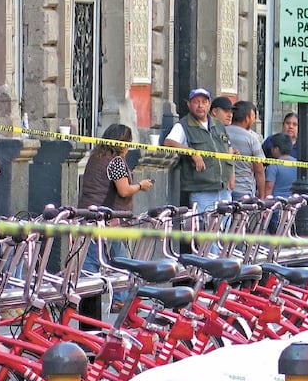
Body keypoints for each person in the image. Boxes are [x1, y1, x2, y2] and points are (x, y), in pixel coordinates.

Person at [79, 124, 154, 307]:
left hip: (91, 214)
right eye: (128, 143)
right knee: (95, 262)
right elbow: (123, 190)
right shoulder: (116, 161)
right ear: (122, 143)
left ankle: (120, 299)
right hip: (107, 218)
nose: (129, 147)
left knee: (116, 258)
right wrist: (140, 185)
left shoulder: (96, 157)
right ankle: (82, 300)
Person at [164, 88, 235, 213]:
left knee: (224, 229)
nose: (200, 105)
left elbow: (228, 147)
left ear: (209, 104)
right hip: (202, 191)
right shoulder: (183, 126)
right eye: (196, 102)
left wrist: (232, 174)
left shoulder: (218, 125)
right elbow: (168, 143)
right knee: (205, 228)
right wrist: (192, 152)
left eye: (204, 102)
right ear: (189, 105)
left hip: (224, 189)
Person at [226, 100, 266, 201]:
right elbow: (259, 171)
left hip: (223, 189)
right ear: (247, 118)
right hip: (244, 190)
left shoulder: (221, 131)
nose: (254, 120)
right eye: (253, 116)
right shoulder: (252, 139)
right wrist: (262, 196)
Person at [264, 133, 298, 233]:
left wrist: (266, 207)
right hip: (293, 205)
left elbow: (269, 187)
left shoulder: (274, 165)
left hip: (276, 207)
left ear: (276, 149)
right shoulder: (297, 163)